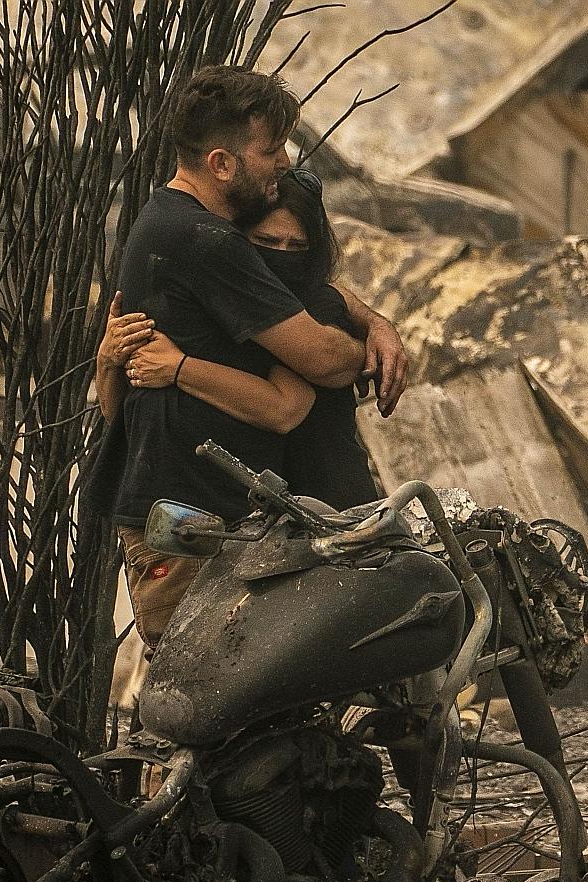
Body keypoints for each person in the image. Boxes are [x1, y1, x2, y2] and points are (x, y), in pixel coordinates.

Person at [85, 65, 407, 650]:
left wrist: (372, 319)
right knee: (206, 685)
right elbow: (325, 363)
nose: (283, 161)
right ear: (221, 164)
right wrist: (362, 347)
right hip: (191, 517)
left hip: (196, 513)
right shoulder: (205, 242)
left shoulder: (168, 222)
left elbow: (299, 285)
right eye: (270, 149)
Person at [116, 169, 395, 511]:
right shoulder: (226, 308)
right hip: (237, 508)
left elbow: (286, 407)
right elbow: (124, 415)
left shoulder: (311, 309)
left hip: (331, 506)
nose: (283, 255)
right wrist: (108, 360)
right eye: (267, 242)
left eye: (297, 246)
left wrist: (179, 368)